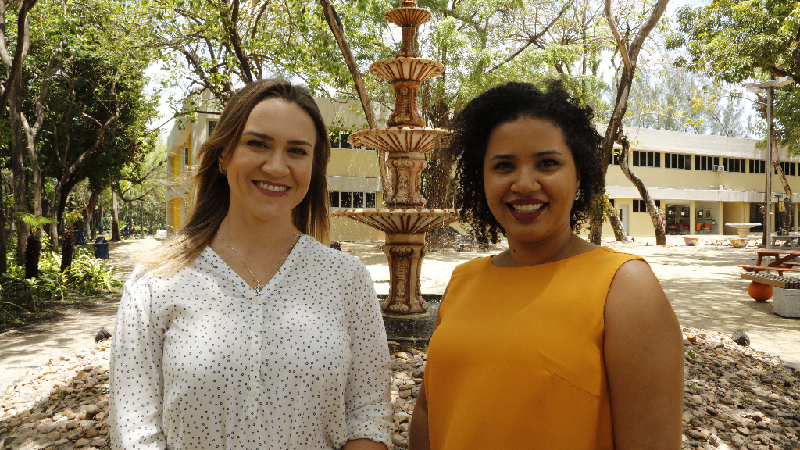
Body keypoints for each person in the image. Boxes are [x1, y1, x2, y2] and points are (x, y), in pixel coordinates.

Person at [109, 79, 391, 450]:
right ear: (224, 155)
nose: (277, 166)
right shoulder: (155, 281)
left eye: (297, 151)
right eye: (258, 144)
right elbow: (134, 431)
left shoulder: (347, 279)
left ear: (313, 167)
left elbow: (368, 417)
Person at [408, 81, 684, 450]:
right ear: (482, 179)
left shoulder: (625, 287)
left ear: (579, 174)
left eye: (547, 163)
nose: (523, 183)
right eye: (503, 166)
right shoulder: (464, 280)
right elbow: (430, 411)